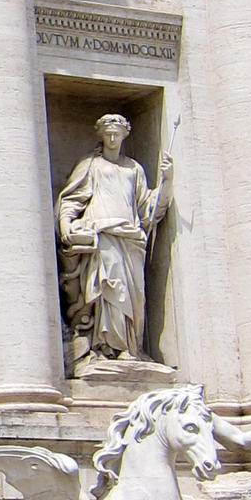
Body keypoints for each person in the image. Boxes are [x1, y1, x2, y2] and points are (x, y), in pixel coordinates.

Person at [55, 113, 171, 364]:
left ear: (124, 135)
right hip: (104, 234)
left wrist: (167, 181)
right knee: (110, 289)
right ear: (101, 135)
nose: (112, 138)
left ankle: (131, 346)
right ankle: (105, 347)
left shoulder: (134, 169)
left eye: (117, 134)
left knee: (133, 295)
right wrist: (66, 224)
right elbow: (72, 200)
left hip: (130, 238)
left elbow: (148, 209)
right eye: (108, 134)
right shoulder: (90, 165)